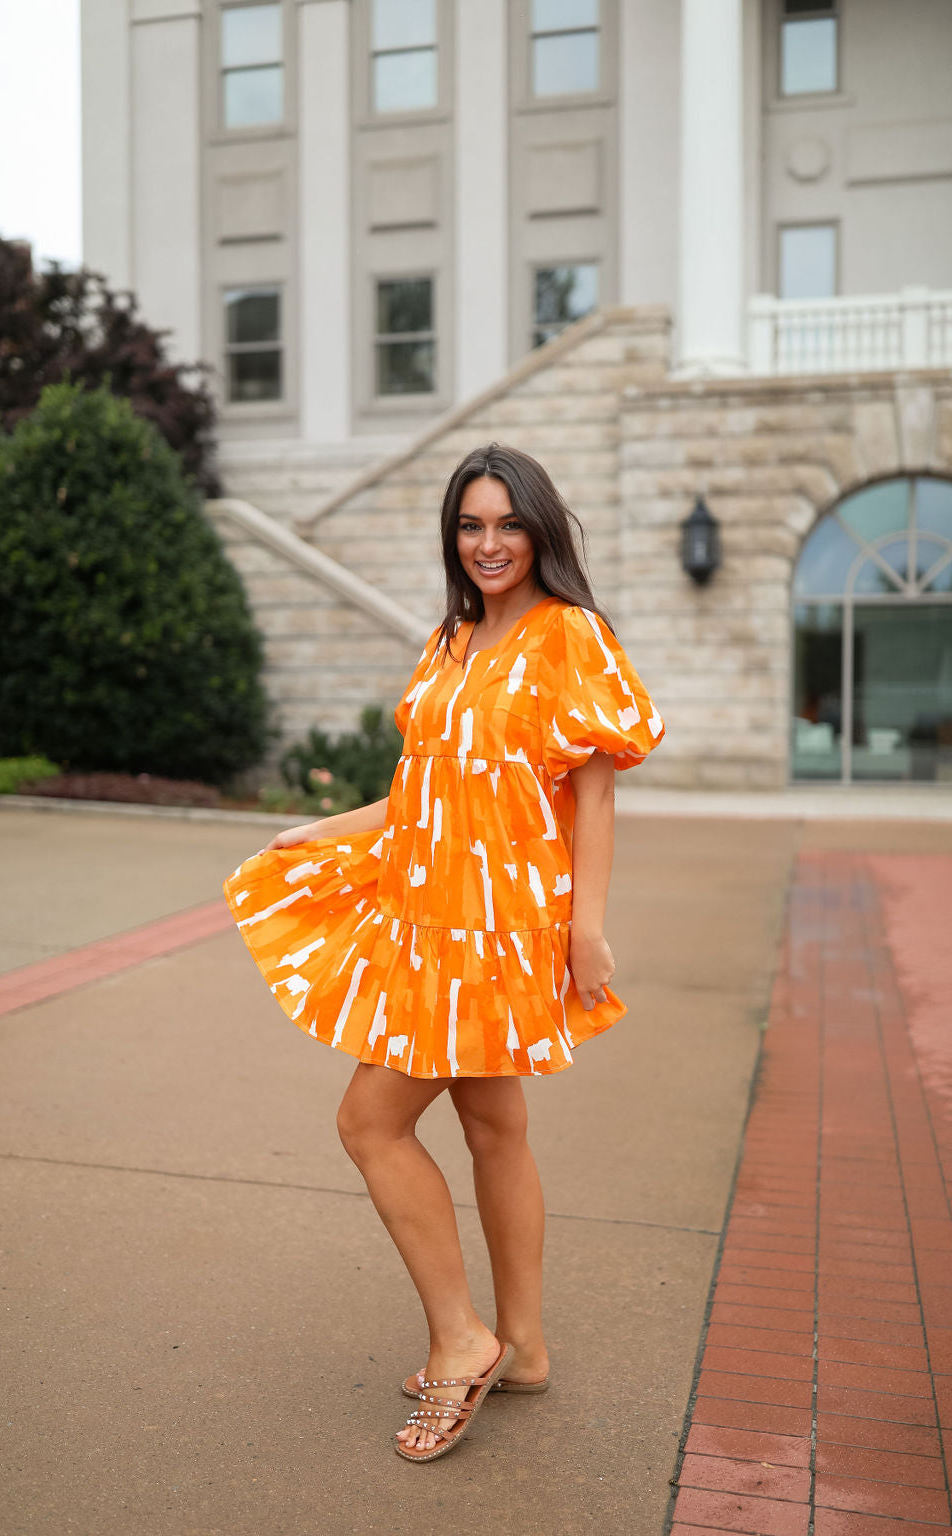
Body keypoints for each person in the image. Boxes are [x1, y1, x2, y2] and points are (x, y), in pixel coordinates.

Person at [224, 443, 664, 1463]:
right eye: (471, 525)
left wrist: (586, 930)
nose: (488, 543)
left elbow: (595, 795)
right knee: (495, 1127)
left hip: (497, 927)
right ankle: (527, 1346)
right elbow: (425, 789)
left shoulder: (570, 635)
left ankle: (463, 1340)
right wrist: (326, 829)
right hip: (428, 914)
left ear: (540, 530)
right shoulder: (450, 639)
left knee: (368, 1122)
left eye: (508, 523)